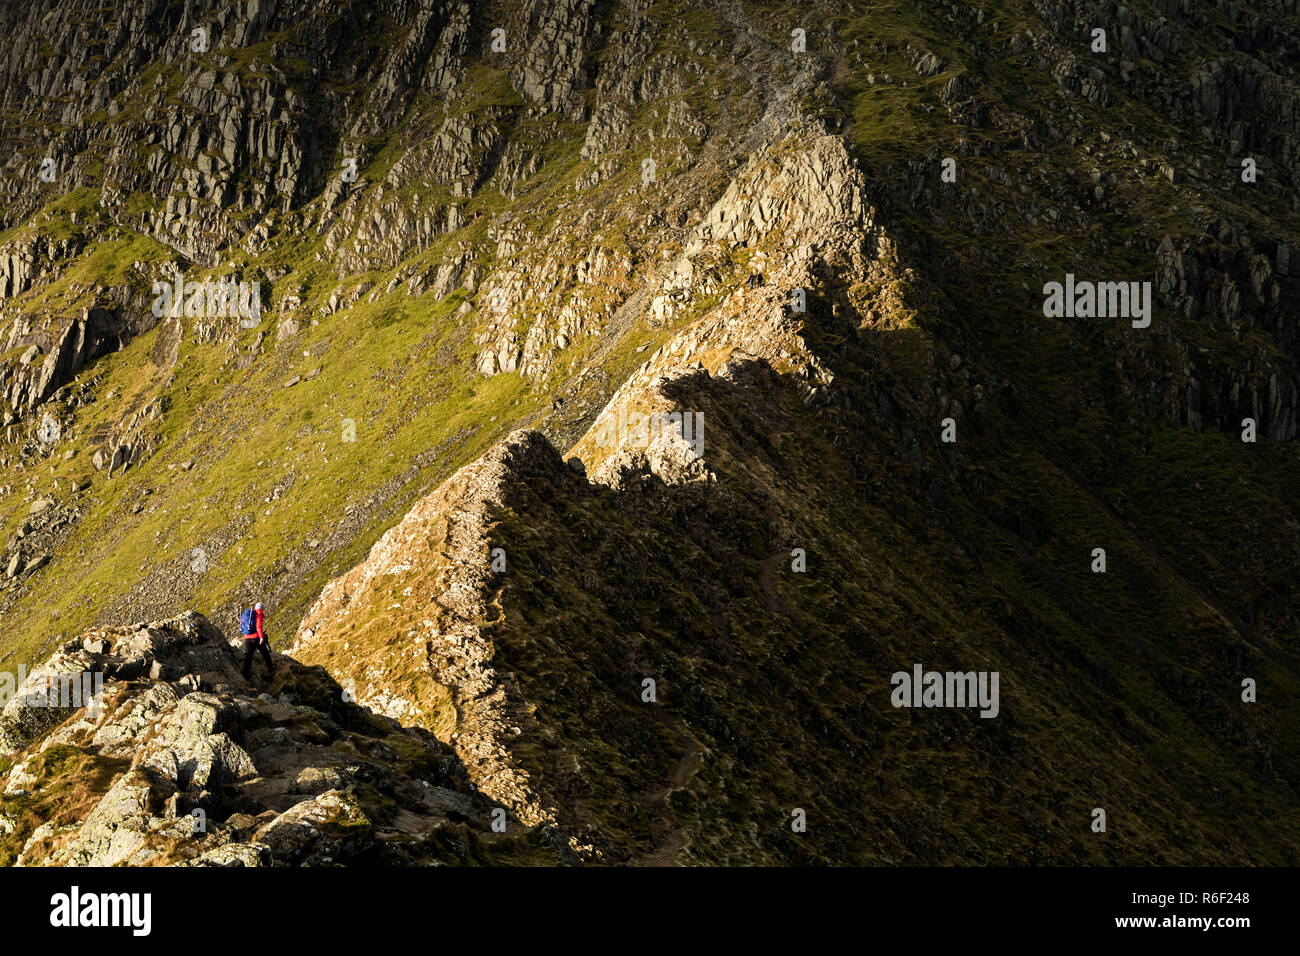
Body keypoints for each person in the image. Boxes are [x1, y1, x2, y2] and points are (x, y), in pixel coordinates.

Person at [241, 601, 276, 680]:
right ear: (261, 609)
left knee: (248, 656)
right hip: (256, 638)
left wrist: (246, 636)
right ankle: (271, 667)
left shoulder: (248, 615)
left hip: (247, 638)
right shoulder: (258, 614)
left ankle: (246, 674)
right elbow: (258, 627)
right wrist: (261, 637)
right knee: (265, 653)